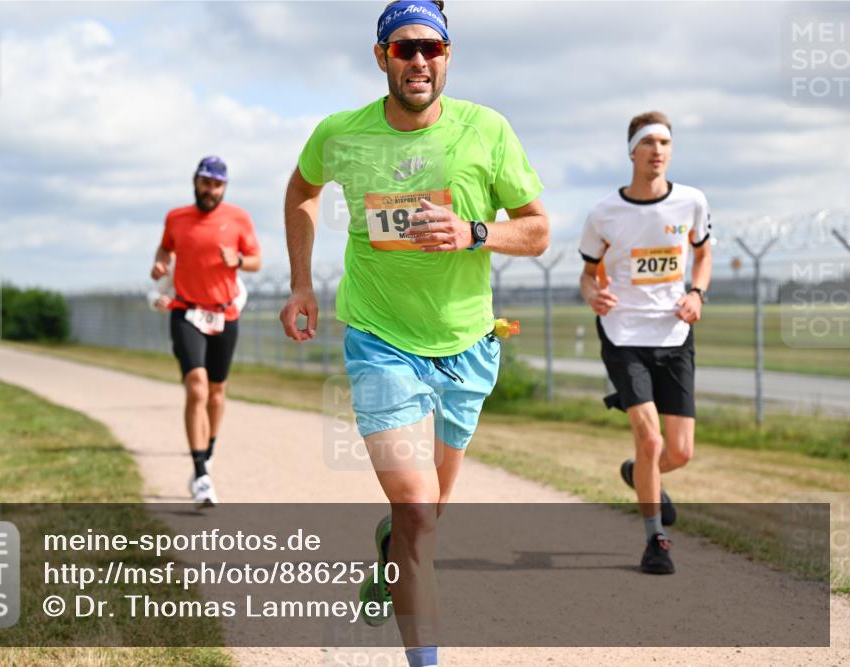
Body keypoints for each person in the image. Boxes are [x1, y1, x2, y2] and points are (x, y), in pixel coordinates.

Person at [280, 3, 548, 664]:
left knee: (424, 521)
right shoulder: (340, 133)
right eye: (405, 49)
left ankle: (389, 550)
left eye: (433, 47)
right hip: (380, 340)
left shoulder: (487, 130)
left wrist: (474, 232)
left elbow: (539, 230)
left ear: (448, 54)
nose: (420, 60)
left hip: (465, 348)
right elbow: (301, 191)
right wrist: (301, 282)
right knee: (419, 512)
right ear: (381, 57)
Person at [578, 110, 712, 575]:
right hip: (623, 334)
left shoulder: (692, 202)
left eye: (665, 143)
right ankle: (656, 539)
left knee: (679, 452)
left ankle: (639, 476)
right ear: (632, 151)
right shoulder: (604, 213)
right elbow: (587, 274)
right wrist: (595, 294)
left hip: (675, 334)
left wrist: (697, 292)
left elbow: (703, 253)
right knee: (650, 439)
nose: (658, 151)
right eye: (649, 143)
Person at [151, 156, 262, 507]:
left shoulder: (239, 218)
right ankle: (200, 474)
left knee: (217, 391)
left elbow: (257, 260)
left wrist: (239, 261)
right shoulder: (176, 217)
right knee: (196, 386)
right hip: (186, 311)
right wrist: (160, 264)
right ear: (195, 181)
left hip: (224, 314)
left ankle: (208, 447)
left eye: (216, 184)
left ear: (224, 187)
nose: (210, 189)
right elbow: (165, 248)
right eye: (205, 182)